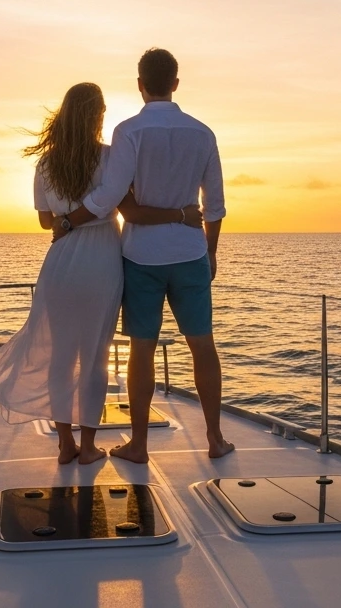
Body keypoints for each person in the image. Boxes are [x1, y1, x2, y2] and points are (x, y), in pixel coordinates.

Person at [0, 82, 203, 465]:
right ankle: (88, 446)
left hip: (61, 261)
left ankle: (65, 444)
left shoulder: (46, 163)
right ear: (98, 116)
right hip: (103, 259)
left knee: (60, 355)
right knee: (95, 356)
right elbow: (123, 206)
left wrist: (67, 218)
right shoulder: (107, 157)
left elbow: (45, 222)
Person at [55, 49, 233, 463]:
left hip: (141, 257)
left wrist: (68, 221)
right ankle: (215, 439)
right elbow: (216, 204)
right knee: (202, 346)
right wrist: (210, 251)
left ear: (140, 84)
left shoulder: (129, 131)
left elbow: (111, 195)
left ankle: (138, 445)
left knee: (143, 349)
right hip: (189, 253)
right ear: (175, 83)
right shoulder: (203, 133)